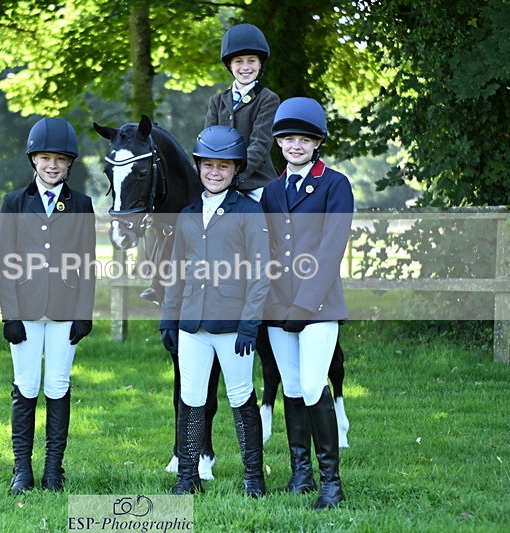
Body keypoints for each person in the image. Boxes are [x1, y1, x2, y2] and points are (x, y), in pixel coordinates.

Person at [159, 126, 269, 497]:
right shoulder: (188, 214)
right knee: (191, 397)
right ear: (199, 167)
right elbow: (175, 272)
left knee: (240, 396)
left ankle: (253, 476)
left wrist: (250, 325)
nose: (215, 172)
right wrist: (169, 320)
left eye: (223, 166)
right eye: (208, 165)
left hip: (233, 326)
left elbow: (260, 274)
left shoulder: (250, 213)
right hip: (193, 323)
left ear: (235, 170)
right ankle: (187, 476)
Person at [260, 97, 353, 510]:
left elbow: (331, 251)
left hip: (318, 306)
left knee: (315, 386)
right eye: (288, 139)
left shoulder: (335, 185)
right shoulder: (271, 191)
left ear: (317, 143)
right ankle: (301, 473)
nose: (296, 145)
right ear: (279, 142)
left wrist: (304, 305)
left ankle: (331, 482)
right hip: (278, 309)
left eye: (304, 139)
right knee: (293, 388)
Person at [0, 117, 96, 495]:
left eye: (59, 159)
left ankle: (54, 469)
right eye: (44, 158)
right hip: (24, 307)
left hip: (65, 308)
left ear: (70, 163)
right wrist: (10, 315)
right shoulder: (15, 202)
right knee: (26, 385)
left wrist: (84, 313)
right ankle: (22, 469)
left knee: (57, 384)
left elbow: (88, 263)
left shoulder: (82, 205)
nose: (52, 165)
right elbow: (5, 261)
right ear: (33, 160)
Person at [204, 23, 280, 203]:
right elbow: (208, 143)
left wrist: (234, 174)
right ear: (230, 65)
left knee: (269, 215)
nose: (245, 67)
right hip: (218, 180)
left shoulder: (268, 99)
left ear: (260, 63)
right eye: (239, 61)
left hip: (255, 181)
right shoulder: (216, 101)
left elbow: (260, 143)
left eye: (251, 60)